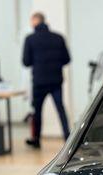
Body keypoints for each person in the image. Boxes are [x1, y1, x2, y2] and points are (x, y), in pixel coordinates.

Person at [22, 12, 71, 148]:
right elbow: (67, 59)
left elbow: (26, 61)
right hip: (56, 80)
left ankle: (36, 139)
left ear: (35, 21)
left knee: (37, 111)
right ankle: (68, 139)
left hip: (39, 81)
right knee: (61, 110)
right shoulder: (58, 37)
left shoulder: (30, 39)